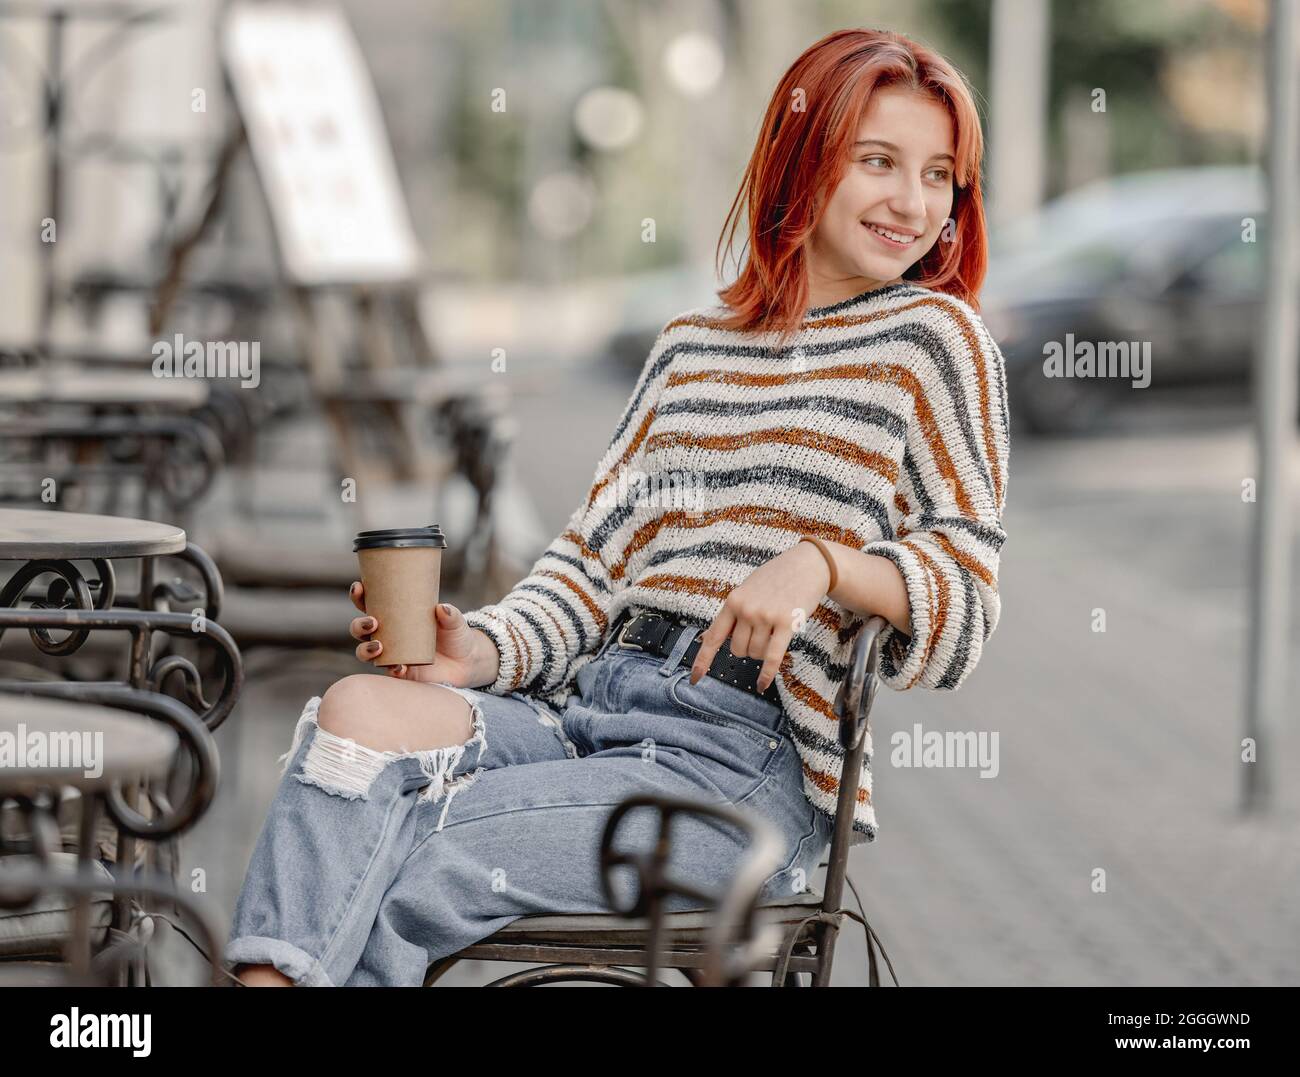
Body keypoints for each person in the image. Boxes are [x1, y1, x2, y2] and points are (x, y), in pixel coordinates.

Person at [226, 26, 1011, 987]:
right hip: (592, 712)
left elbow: (967, 600)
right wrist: (477, 649)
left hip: (742, 772)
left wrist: (825, 563)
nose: (912, 202)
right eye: (879, 161)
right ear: (801, 161)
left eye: (940, 177)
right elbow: (592, 565)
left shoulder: (934, 343)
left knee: (413, 846)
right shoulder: (690, 346)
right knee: (351, 717)